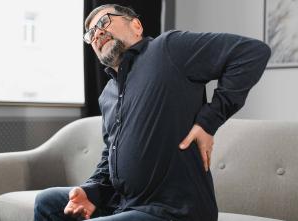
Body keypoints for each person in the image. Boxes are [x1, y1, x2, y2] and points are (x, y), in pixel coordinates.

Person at [34, 4, 271, 221]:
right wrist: (90, 191)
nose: (97, 33)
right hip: (125, 204)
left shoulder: (168, 48)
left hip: (174, 211)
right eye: (90, 34)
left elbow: (251, 52)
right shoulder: (108, 93)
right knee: (47, 201)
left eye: (103, 22)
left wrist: (209, 121)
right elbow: (111, 156)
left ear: (136, 25)